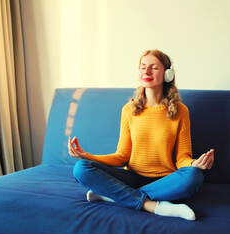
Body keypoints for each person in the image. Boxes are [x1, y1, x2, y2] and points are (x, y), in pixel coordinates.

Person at [69, 49, 214, 221]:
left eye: (153, 67)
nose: (146, 71)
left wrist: (195, 163)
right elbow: (122, 156)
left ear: (168, 74)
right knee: (81, 169)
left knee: (194, 176)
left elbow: (182, 158)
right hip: (131, 177)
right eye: (143, 67)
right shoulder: (129, 110)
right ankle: (155, 206)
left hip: (165, 181)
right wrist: (86, 156)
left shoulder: (181, 111)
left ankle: (114, 196)